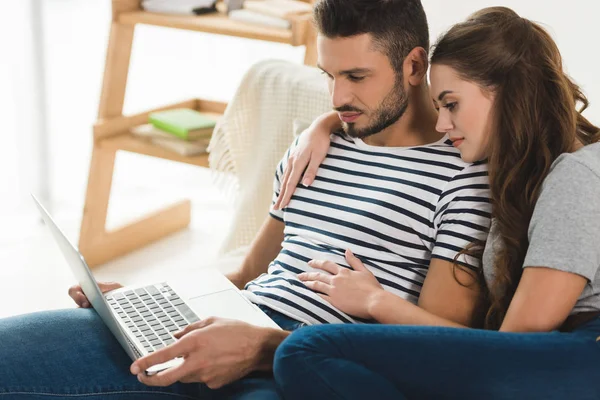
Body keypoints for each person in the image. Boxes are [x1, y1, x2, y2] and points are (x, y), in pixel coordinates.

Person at [0, 1, 492, 399]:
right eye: (328, 75)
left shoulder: (462, 177)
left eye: (357, 77)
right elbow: (246, 275)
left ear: (414, 65)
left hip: (296, 369)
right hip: (228, 326)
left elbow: (439, 350)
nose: (337, 97)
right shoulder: (317, 146)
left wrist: (262, 349)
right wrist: (149, 298)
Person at [273, 5, 600, 400]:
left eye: (452, 104)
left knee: (305, 350)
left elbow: (514, 346)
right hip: (546, 360)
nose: (442, 124)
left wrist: (377, 301)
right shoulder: (515, 171)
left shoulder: (577, 176)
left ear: (511, 93)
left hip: (580, 357)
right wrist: (324, 125)